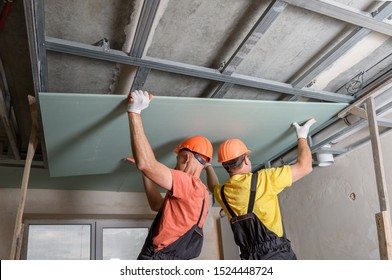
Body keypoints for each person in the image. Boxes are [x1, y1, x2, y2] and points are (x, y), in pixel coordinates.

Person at [210, 118, 317, 260]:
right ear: (246, 160)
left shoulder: (223, 193)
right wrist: (302, 137)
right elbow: (305, 166)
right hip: (276, 255)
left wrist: (207, 167)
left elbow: (212, 187)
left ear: (224, 166)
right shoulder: (263, 179)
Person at [127, 89, 215, 260]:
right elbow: (156, 205)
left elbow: (146, 163)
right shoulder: (202, 193)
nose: (175, 165)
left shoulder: (189, 183)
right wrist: (146, 173)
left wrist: (134, 112)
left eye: (178, 159)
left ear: (187, 158)